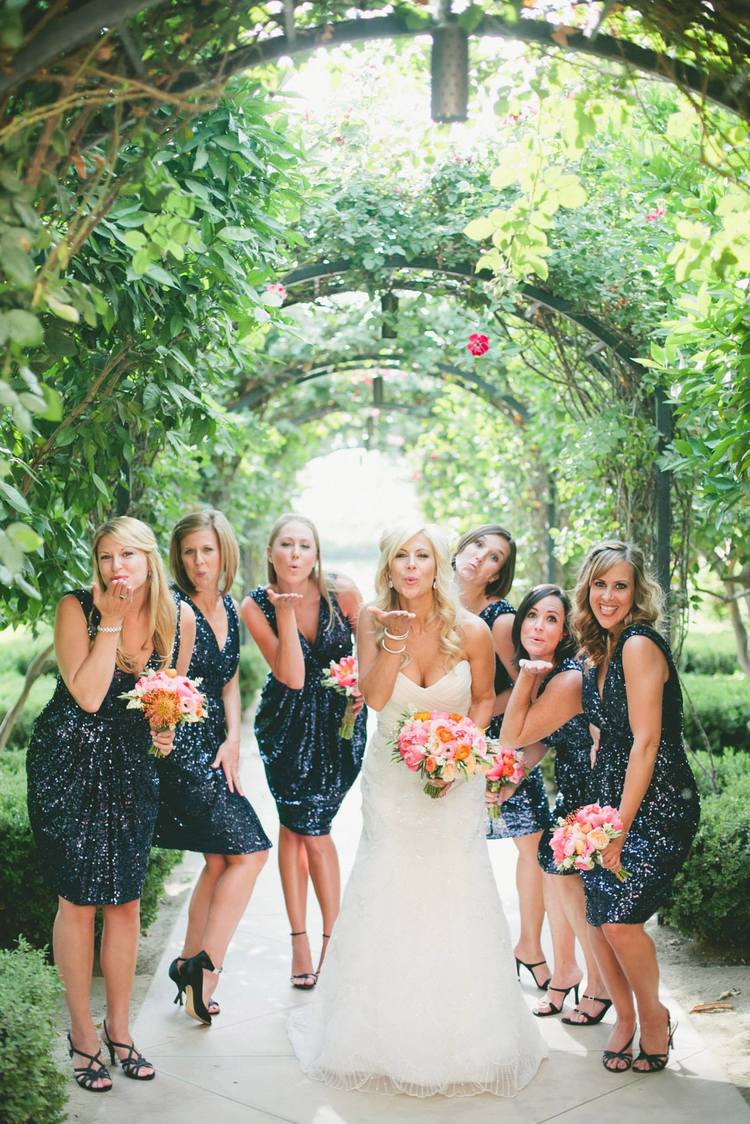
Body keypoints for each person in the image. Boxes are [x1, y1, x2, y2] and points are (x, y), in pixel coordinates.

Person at [288, 524, 547, 1097]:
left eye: (422, 556)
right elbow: (378, 698)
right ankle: (376, 1038)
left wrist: (459, 751)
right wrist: (394, 641)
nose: (411, 565)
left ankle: (470, 1039)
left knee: (456, 889)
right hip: (391, 782)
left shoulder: (472, 629)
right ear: (388, 565)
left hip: (455, 782)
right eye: (401, 556)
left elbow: (484, 698)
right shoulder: (371, 619)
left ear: (437, 565)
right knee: (389, 885)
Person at [500, 542, 699, 1074]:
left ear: (637, 593)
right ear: (586, 590)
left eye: (620, 586)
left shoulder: (638, 645)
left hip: (657, 805)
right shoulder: (592, 661)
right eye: (599, 585)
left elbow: (647, 743)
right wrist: (529, 675)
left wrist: (621, 827)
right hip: (607, 807)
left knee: (621, 922)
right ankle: (626, 1020)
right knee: (600, 917)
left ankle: (653, 1018)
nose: (608, 596)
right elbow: (515, 734)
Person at [26, 517, 195, 1093]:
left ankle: (119, 1030)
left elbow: (166, 699)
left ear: (150, 559)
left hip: (129, 769)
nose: (116, 566)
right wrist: (113, 621)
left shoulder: (179, 618)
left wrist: (165, 728)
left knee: (125, 902)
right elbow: (91, 695)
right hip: (67, 762)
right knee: (77, 902)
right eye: (105, 556)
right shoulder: (76, 608)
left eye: (128, 555)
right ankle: (82, 1034)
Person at [241, 514, 366, 990]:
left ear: (316, 554)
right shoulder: (255, 605)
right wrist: (286, 612)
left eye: (305, 546)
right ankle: (303, 941)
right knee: (297, 829)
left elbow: (373, 651)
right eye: (286, 545)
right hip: (286, 726)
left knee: (311, 828)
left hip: (339, 726)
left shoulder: (343, 592)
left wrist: (363, 683)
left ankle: (334, 938)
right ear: (270, 553)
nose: (295, 554)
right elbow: (292, 676)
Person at [156, 510, 271, 1025]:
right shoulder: (178, 610)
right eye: (189, 552)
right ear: (178, 558)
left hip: (214, 746)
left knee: (223, 862)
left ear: (224, 551)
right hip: (182, 750)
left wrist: (234, 739)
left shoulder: (226, 604)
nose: (199, 562)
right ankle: (207, 969)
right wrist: (174, 744)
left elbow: (228, 683)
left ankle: (186, 962)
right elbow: (169, 688)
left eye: (207, 550)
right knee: (251, 854)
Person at [497, 585, 609, 1024]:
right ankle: (565, 971)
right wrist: (511, 778)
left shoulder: (567, 676)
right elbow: (543, 739)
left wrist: (525, 677)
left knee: (565, 877)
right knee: (553, 869)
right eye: (532, 616)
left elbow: (514, 735)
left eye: (551, 619)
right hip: (573, 786)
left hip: (595, 790)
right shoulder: (551, 671)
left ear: (565, 631)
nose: (538, 626)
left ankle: (599, 984)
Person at [453, 524, 552, 992]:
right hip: (447, 742)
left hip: (500, 739)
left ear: (497, 574)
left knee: (531, 844)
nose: (480, 557)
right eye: (477, 545)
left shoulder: (500, 620)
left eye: (493, 557)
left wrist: (470, 716)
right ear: (460, 548)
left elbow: (525, 687)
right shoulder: (431, 603)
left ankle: (530, 947)